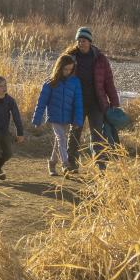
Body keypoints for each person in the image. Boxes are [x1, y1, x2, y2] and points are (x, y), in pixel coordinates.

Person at [64, 27, 120, 172]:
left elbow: (108, 82)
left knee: (98, 135)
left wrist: (115, 103)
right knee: (74, 133)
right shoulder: (70, 57)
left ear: (89, 42)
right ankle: (71, 164)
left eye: (83, 40)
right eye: (79, 41)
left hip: (96, 103)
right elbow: (60, 77)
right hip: (77, 103)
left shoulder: (100, 59)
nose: (81, 43)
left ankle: (100, 166)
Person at [33, 54, 84, 177]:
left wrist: (78, 120)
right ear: (59, 67)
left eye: (70, 69)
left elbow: (78, 102)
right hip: (54, 116)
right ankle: (65, 164)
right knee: (61, 138)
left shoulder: (75, 82)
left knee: (59, 140)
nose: (68, 72)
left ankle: (52, 163)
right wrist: (37, 119)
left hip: (68, 117)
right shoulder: (50, 83)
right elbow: (41, 102)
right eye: (65, 69)